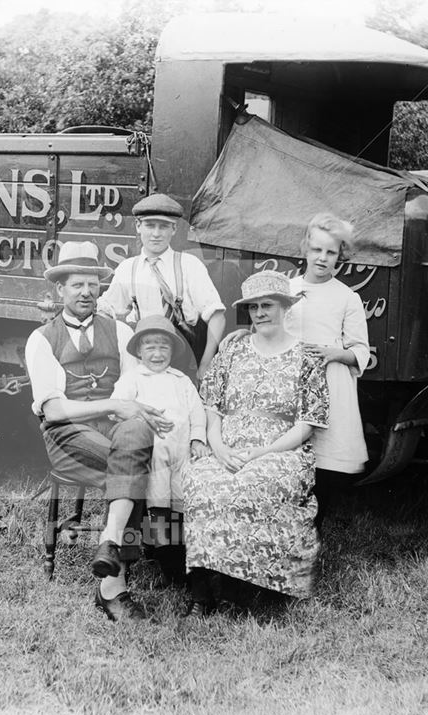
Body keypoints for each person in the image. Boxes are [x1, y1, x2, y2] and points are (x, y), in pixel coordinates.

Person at [25, 241, 172, 622]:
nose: (86, 292)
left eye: (92, 284)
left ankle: (110, 545)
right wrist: (112, 406)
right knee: (133, 463)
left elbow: (134, 384)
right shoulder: (42, 339)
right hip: (66, 434)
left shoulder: (120, 332)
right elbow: (55, 409)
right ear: (60, 290)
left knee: (138, 438)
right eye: (76, 285)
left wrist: (138, 412)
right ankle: (114, 589)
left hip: (115, 428)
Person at [182, 270, 329, 615]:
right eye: (254, 307)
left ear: (284, 308)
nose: (260, 313)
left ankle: (241, 590)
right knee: (203, 482)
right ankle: (200, 591)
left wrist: (264, 451)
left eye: (268, 305)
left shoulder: (307, 358)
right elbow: (212, 406)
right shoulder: (233, 350)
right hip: (229, 443)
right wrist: (217, 446)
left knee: (253, 484)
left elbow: (307, 423)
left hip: (282, 449)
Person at [111, 315, 210, 585]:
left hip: (182, 452)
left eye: (163, 347)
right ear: (140, 351)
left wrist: (198, 439)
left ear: (172, 351)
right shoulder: (133, 379)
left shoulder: (181, 381)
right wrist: (137, 418)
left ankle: (188, 557)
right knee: (158, 503)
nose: (157, 353)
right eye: (150, 347)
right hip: (153, 455)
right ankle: (164, 559)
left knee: (181, 501)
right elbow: (116, 408)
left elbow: (197, 413)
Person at [286, 214, 370, 516]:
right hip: (289, 379)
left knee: (324, 457)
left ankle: (314, 521)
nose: (322, 258)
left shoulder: (347, 297)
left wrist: (334, 353)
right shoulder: (287, 289)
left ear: (340, 256)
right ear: (305, 249)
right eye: (317, 250)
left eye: (331, 252)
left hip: (329, 382)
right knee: (288, 451)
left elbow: (360, 351)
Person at [97, 193, 226, 381]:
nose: (156, 234)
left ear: (173, 229)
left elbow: (217, 316)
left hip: (184, 359)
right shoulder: (128, 268)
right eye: (150, 225)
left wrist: (205, 365)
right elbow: (105, 314)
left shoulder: (189, 265)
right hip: (143, 360)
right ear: (138, 226)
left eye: (164, 226)